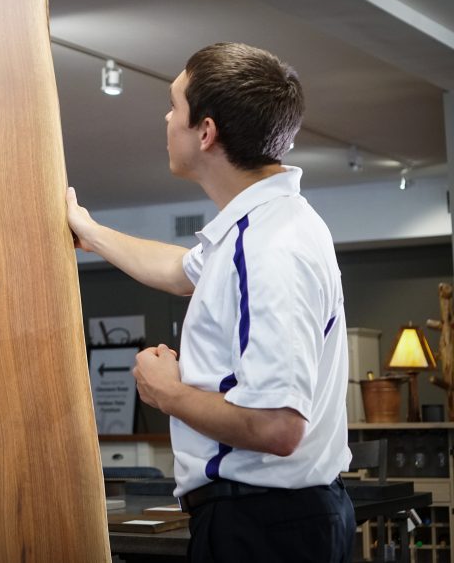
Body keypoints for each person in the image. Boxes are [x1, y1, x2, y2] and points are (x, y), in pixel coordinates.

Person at [67, 42, 355, 562]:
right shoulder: (261, 229)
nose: (166, 117)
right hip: (273, 519)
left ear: (205, 131)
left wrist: (168, 393)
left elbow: (277, 427)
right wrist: (90, 230)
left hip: (264, 527)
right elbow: (180, 272)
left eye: (175, 105)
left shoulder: (270, 249)